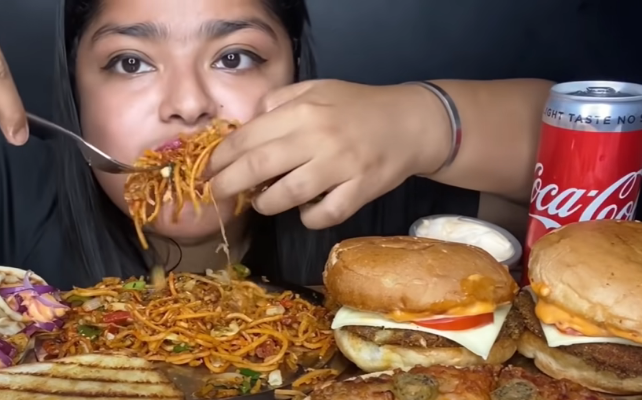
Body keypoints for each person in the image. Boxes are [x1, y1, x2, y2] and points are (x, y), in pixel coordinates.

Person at [0, 0, 627, 288]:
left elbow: (596, 156)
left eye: (234, 57)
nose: (188, 104)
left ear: (294, 72)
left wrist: (421, 123)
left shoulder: (378, 210)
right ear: (74, 86)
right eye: (131, 62)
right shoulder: (17, 202)